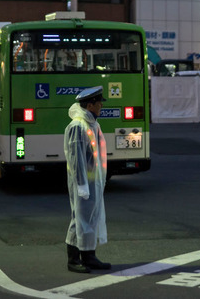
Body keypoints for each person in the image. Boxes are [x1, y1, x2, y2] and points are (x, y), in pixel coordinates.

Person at [64, 85, 111, 273]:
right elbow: (76, 159)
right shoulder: (78, 126)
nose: (101, 106)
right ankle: (73, 259)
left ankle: (89, 256)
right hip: (83, 184)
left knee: (91, 218)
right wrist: (82, 184)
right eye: (99, 102)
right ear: (90, 105)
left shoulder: (92, 123)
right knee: (79, 219)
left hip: (94, 182)